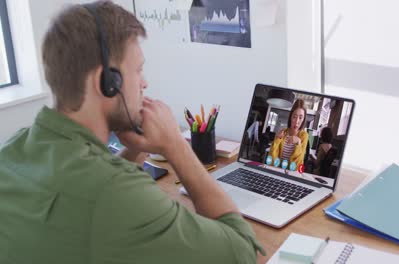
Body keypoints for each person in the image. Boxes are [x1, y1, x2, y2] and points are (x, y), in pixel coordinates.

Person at [0, 1, 263, 263]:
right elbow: (243, 251)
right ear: (107, 82)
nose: (145, 82)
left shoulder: (13, 151)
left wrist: (137, 146)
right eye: (138, 70)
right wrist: (175, 146)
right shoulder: (115, 194)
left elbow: (91, 188)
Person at [268, 99, 309, 169]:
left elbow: (297, 166)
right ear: (290, 117)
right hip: (278, 171)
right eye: (294, 117)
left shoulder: (304, 136)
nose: (297, 121)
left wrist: (298, 143)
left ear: (304, 119)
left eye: (300, 118)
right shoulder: (283, 132)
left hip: (291, 174)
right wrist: (277, 140)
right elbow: (271, 160)